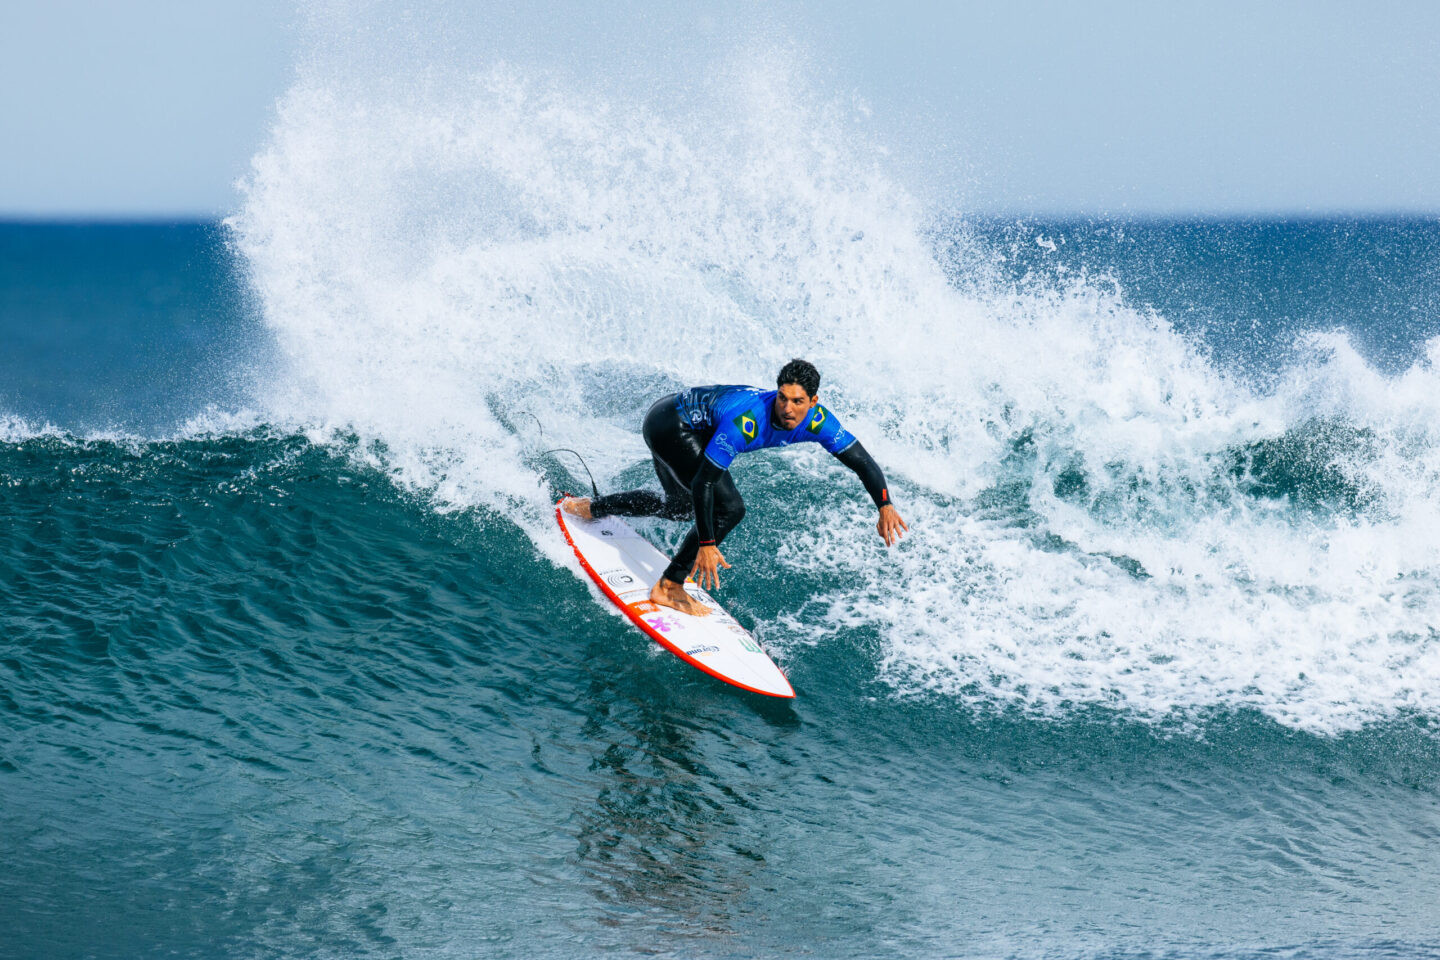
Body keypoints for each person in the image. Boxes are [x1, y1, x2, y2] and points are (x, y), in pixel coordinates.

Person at [561, 359, 908, 617]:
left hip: (676, 419)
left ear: (813, 402)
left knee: (680, 507)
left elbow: (862, 461)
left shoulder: (820, 423)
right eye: (783, 398)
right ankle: (669, 586)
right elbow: (704, 483)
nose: (787, 409)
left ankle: (592, 508)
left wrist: (885, 505)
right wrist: (707, 544)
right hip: (673, 426)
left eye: (797, 402)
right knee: (730, 508)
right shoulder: (747, 421)